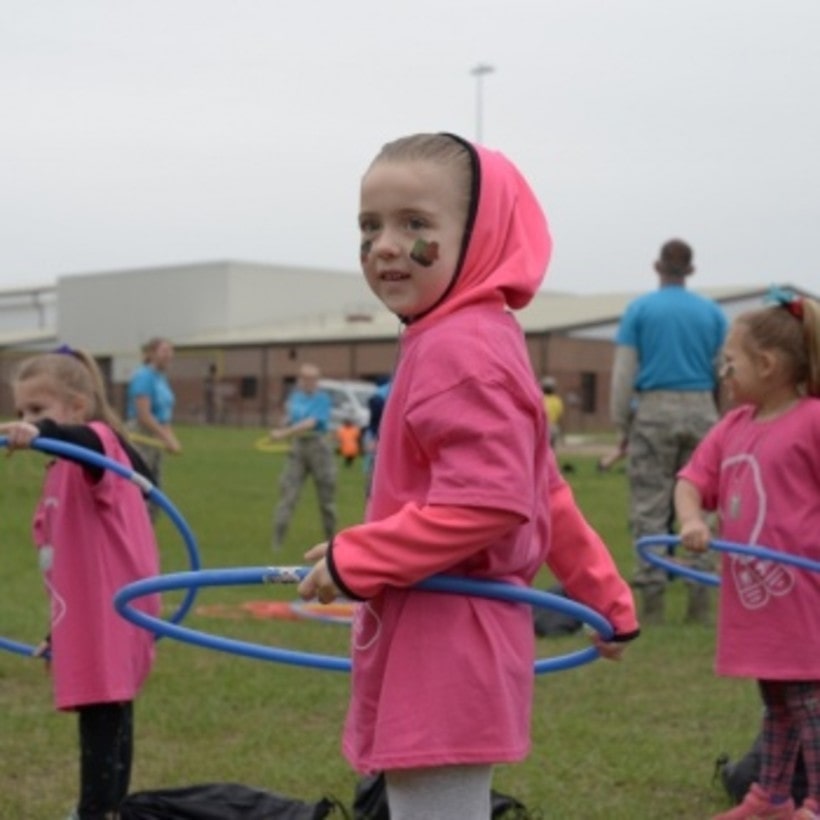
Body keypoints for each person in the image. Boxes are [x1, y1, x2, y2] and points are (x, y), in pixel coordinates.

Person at [296, 132, 639, 820]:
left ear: (480, 236)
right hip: (443, 630)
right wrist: (604, 594)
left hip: (449, 639)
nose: (387, 244)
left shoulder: (462, 349)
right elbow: (543, 489)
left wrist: (359, 554)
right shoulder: (461, 334)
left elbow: (488, 504)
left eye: (415, 224)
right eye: (371, 226)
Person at [675, 292, 820, 820]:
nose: (723, 371)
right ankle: (772, 798)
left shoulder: (812, 420)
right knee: (777, 703)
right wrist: (692, 519)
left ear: (767, 364)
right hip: (756, 601)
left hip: (805, 598)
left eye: (730, 361)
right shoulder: (732, 427)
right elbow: (692, 480)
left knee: (811, 706)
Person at [0, 348, 161, 820]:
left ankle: (99, 811)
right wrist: (59, 632)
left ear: (76, 406)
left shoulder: (97, 447)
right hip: (91, 617)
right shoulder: (61, 471)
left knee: (104, 716)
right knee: (106, 715)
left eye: (38, 409)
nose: (25, 420)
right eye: (21, 412)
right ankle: (105, 808)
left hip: (114, 615)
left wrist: (43, 433)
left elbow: (87, 440)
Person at [611, 238, 728, 625]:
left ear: (658, 268)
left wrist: (622, 424)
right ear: (690, 272)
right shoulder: (712, 314)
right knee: (703, 508)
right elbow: (724, 373)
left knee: (650, 507)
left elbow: (624, 373)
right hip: (702, 410)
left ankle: (654, 608)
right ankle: (700, 605)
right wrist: (724, 420)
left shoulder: (640, 310)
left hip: (653, 411)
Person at [269, 363, 336, 550]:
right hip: (298, 447)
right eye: (305, 378)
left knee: (326, 499)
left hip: (318, 447)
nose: (309, 382)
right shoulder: (295, 397)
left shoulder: (323, 399)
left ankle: (331, 543)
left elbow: (310, 423)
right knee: (287, 494)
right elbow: (290, 417)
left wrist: (283, 434)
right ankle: (277, 542)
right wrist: (282, 425)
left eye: (313, 379)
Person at [126, 337, 181, 519]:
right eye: (164, 351)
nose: (169, 355)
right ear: (151, 354)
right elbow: (144, 415)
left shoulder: (161, 378)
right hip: (141, 435)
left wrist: (170, 436)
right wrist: (167, 439)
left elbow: (163, 415)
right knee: (140, 487)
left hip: (155, 436)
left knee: (154, 490)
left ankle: (146, 538)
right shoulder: (144, 376)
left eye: (171, 351)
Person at [541, 376, 564, 449]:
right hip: (554, 427)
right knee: (552, 449)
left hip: (543, 427)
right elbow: (560, 417)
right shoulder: (557, 400)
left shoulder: (541, 399)